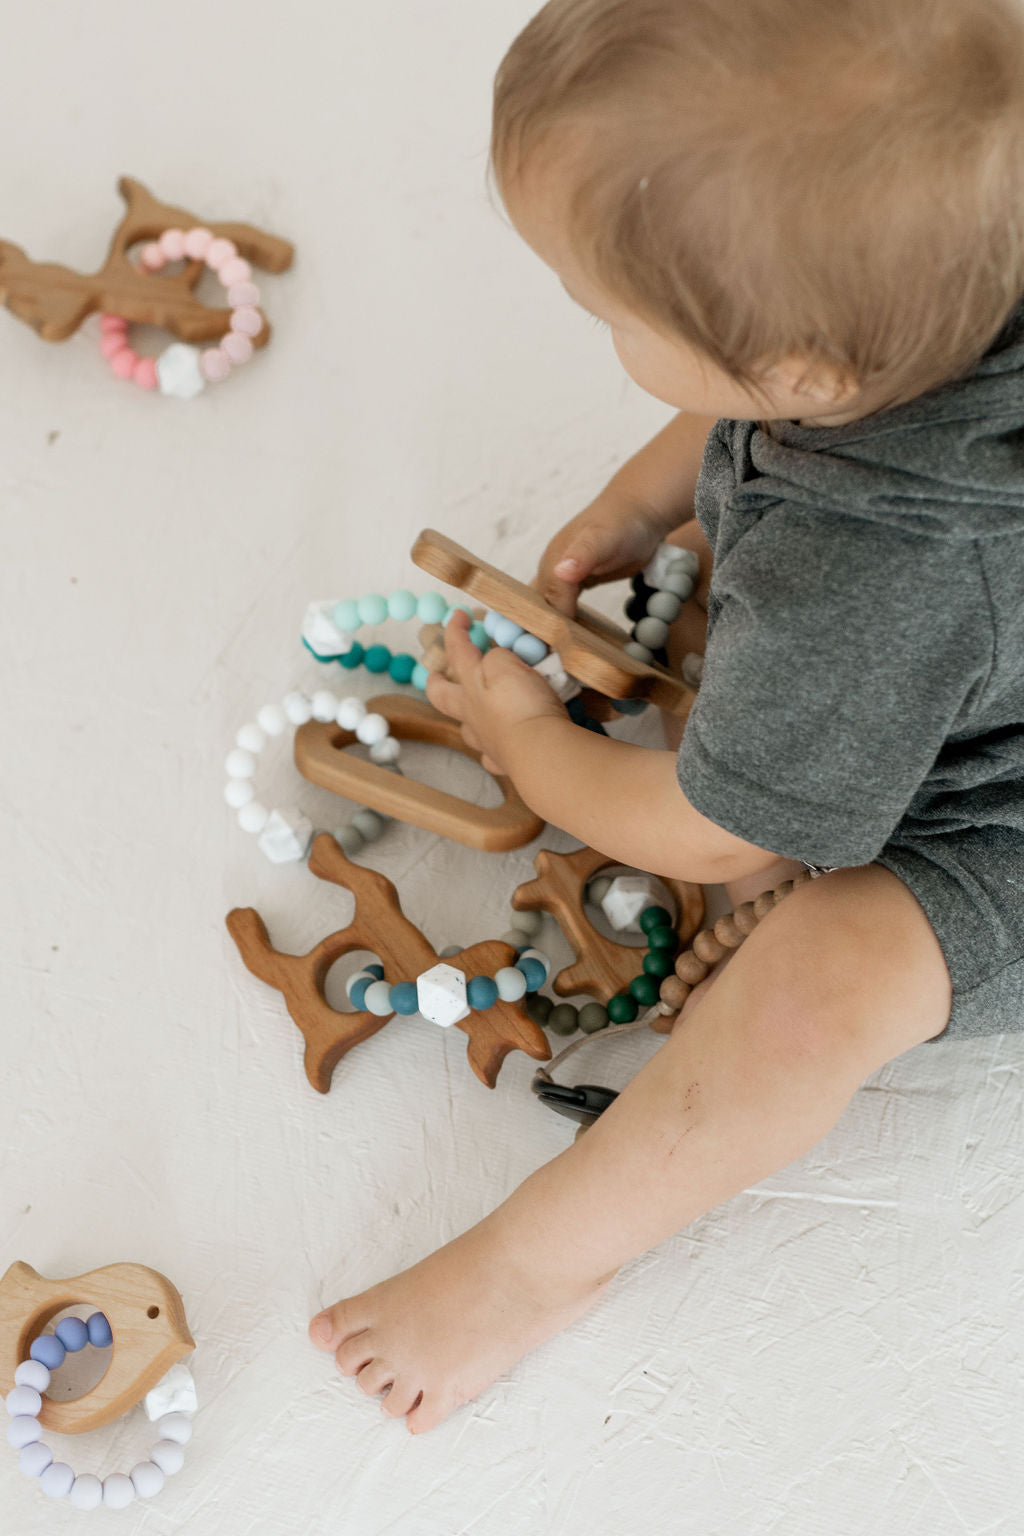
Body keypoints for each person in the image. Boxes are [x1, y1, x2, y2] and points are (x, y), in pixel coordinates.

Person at [309, 0, 1024, 1434]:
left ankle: (537, 1261)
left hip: (994, 807)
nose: (595, 327)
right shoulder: (951, 254)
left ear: (811, 383)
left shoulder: (870, 574)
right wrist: (645, 503)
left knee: (828, 976)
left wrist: (528, 743)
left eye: (610, 316)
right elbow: (749, 404)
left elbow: (709, 835)